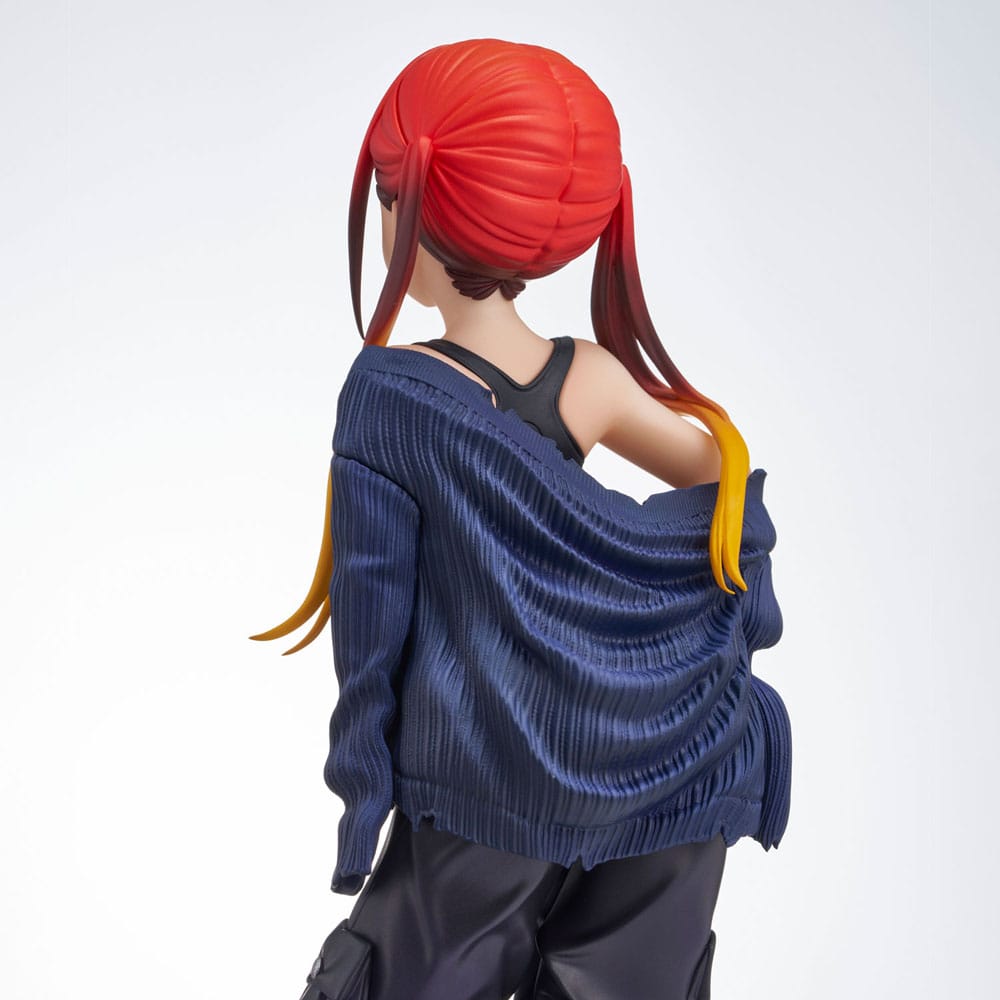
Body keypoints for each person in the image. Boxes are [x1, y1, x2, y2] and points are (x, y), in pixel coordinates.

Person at [251, 37, 791, 1000]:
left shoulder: (390, 397)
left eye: (388, 195)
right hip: (668, 768)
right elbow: (726, 483)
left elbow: (371, 633)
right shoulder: (593, 377)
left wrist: (362, 798)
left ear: (410, 212)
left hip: (483, 780)